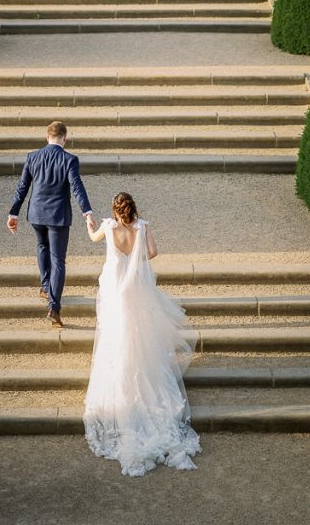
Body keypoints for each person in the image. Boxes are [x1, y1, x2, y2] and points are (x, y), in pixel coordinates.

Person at [83, 192, 201, 476]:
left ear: (115, 210)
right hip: (135, 287)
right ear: (134, 209)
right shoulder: (143, 226)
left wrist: (89, 221)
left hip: (115, 289)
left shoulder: (108, 226)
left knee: (117, 334)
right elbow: (152, 253)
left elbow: (93, 238)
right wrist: (135, 259)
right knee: (139, 333)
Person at [8, 121, 95, 327]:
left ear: (47, 137)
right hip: (58, 216)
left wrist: (14, 213)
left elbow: (22, 187)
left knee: (41, 247)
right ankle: (54, 308)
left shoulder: (32, 157)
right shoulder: (70, 159)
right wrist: (87, 212)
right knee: (58, 260)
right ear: (65, 138)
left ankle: (46, 286)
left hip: (36, 214)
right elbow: (77, 187)